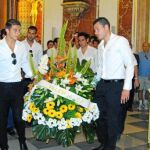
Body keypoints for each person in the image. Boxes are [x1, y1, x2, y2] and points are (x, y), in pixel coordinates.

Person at [93, 17, 134, 150]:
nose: (95, 32)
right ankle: (104, 142)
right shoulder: (100, 46)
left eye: (97, 29)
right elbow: (100, 67)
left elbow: (130, 64)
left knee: (112, 119)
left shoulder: (120, 41)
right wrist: (95, 83)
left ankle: (109, 147)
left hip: (115, 86)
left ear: (106, 28)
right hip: (102, 85)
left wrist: (126, 88)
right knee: (98, 116)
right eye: (94, 30)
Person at [0, 19, 33, 150]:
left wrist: (33, 75)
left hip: (17, 86)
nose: (18, 33)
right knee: (1, 119)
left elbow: (25, 63)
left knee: (19, 118)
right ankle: (3, 145)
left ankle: (22, 141)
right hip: (2, 87)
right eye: (15, 30)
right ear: (7, 31)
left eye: (19, 30)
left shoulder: (21, 46)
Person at [138, 42, 150, 110]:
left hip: (148, 76)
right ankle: (140, 104)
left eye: (147, 46)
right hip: (140, 76)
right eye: (144, 46)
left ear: (149, 47)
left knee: (148, 90)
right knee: (140, 90)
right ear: (142, 47)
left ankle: (145, 103)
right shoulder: (139, 55)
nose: (145, 47)